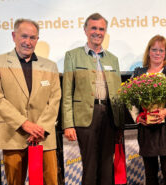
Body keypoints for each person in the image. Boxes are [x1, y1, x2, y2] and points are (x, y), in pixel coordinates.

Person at [0, 18, 61, 185]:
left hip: (44, 136)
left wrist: (40, 127)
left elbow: (55, 99)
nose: (27, 42)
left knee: (50, 181)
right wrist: (24, 124)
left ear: (37, 40)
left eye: (32, 37)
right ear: (14, 36)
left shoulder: (50, 66)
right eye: (24, 36)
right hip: (13, 135)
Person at [62, 13, 123, 185]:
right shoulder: (72, 56)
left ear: (105, 32)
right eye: (94, 28)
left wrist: (119, 124)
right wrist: (68, 124)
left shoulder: (113, 59)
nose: (97, 32)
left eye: (101, 29)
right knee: (90, 164)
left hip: (110, 116)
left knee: (107, 164)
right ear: (85, 30)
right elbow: (67, 92)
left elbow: (117, 94)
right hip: (85, 117)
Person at [129, 35, 166, 185]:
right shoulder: (139, 72)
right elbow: (131, 99)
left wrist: (165, 111)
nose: (157, 53)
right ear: (149, 52)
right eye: (154, 50)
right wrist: (137, 117)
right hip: (146, 129)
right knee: (150, 173)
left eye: (161, 50)